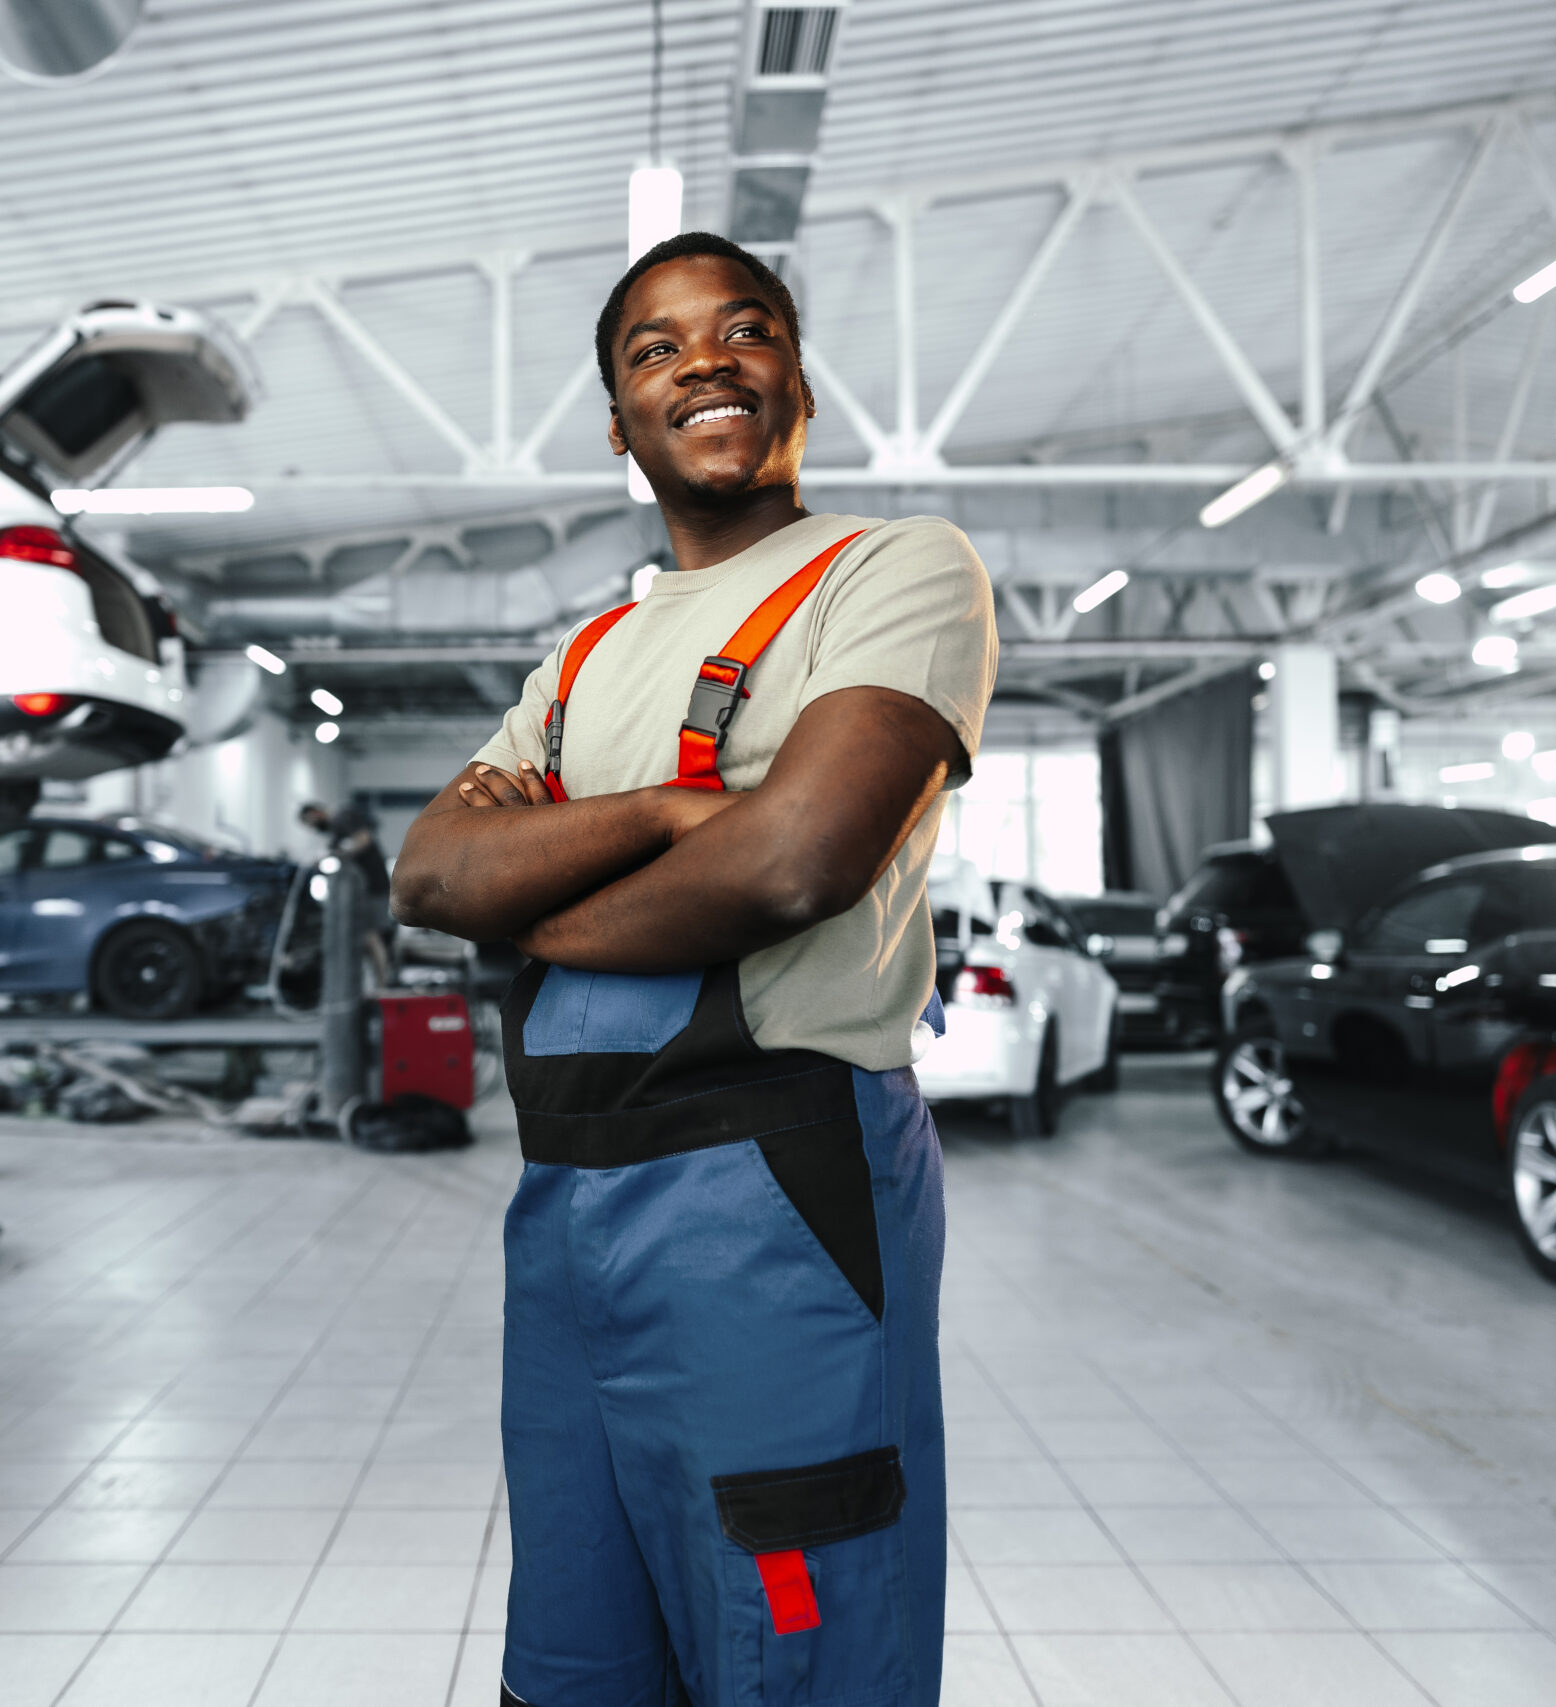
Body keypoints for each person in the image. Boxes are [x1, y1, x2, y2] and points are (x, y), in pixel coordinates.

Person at [393, 231, 997, 1707]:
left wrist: (539, 893)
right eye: (654, 349)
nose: (704, 360)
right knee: (580, 1649)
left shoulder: (896, 569)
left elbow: (795, 857)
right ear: (618, 421)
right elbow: (429, 874)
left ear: (794, 372)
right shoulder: (585, 653)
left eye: (744, 328)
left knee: (794, 1628)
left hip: (775, 1190)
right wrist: (673, 812)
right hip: (567, 1204)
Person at [300, 799, 395, 984]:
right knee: (365, 936)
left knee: (370, 935)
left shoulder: (343, 817)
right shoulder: (335, 830)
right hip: (362, 890)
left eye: (311, 823)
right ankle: (375, 982)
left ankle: (382, 983)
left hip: (373, 886)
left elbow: (363, 839)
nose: (313, 827)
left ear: (315, 813)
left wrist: (335, 854)